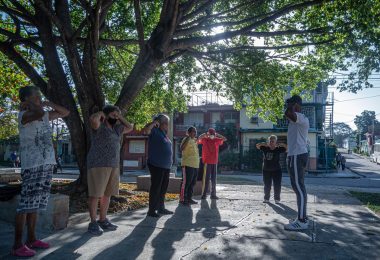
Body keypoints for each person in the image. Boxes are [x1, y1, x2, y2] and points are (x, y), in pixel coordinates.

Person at [13, 86, 69, 257]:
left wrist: (48, 102)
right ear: (26, 100)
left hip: (46, 163)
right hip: (32, 165)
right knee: (25, 205)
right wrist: (34, 105)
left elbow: (65, 112)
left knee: (35, 205)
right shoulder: (24, 115)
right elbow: (37, 113)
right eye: (36, 96)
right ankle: (17, 245)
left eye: (39, 96)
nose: (40, 99)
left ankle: (31, 239)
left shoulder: (43, 113)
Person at [87, 105, 133, 235]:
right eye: (113, 115)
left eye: (117, 116)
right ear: (106, 116)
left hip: (113, 165)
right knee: (95, 194)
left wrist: (119, 116)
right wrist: (102, 112)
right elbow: (93, 120)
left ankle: (103, 220)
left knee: (107, 194)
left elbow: (130, 127)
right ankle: (93, 222)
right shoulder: (99, 126)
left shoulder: (117, 129)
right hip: (98, 164)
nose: (116, 118)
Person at [283, 95, 310, 231]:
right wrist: (291, 105)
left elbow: (288, 113)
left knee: (299, 188)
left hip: (297, 155)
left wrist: (291, 105)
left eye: (291, 104)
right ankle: (302, 217)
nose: (288, 107)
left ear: (297, 105)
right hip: (296, 155)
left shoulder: (300, 118)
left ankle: (301, 220)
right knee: (299, 187)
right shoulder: (296, 120)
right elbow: (287, 114)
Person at [143, 114, 174, 218]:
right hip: (156, 164)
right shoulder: (154, 131)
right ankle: (151, 210)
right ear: (159, 123)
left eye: (167, 123)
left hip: (165, 166)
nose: (167, 125)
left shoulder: (163, 134)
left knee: (163, 188)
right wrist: (153, 123)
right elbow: (146, 131)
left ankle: (161, 207)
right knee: (156, 188)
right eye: (165, 123)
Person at [256, 135, 287, 204]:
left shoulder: (278, 149)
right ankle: (266, 198)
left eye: (273, 141)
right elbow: (257, 146)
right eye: (270, 141)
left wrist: (282, 144)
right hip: (266, 170)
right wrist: (264, 143)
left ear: (275, 142)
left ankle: (277, 199)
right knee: (267, 185)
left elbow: (287, 148)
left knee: (277, 185)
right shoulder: (265, 148)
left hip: (277, 170)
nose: (271, 142)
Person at [198, 128, 227, 200]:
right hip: (207, 162)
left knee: (214, 179)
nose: (212, 136)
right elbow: (198, 139)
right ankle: (204, 195)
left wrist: (217, 134)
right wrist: (205, 134)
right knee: (206, 179)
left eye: (213, 134)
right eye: (211, 134)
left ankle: (213, 194)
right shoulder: (205, 139)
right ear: (208, 134)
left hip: (214, 161)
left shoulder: (216, 139)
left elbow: (225, 139)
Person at [179, 126, 200, 205]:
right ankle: (182, 199)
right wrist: (188, 137)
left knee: (192, 183)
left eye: (195, 132)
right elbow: (181, 148)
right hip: (187, 164)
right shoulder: (186, 139)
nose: (195, 133)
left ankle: (189, 198)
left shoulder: (194, 141)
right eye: (193, 131)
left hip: (195, 165)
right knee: (186, 182)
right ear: (189, 132)